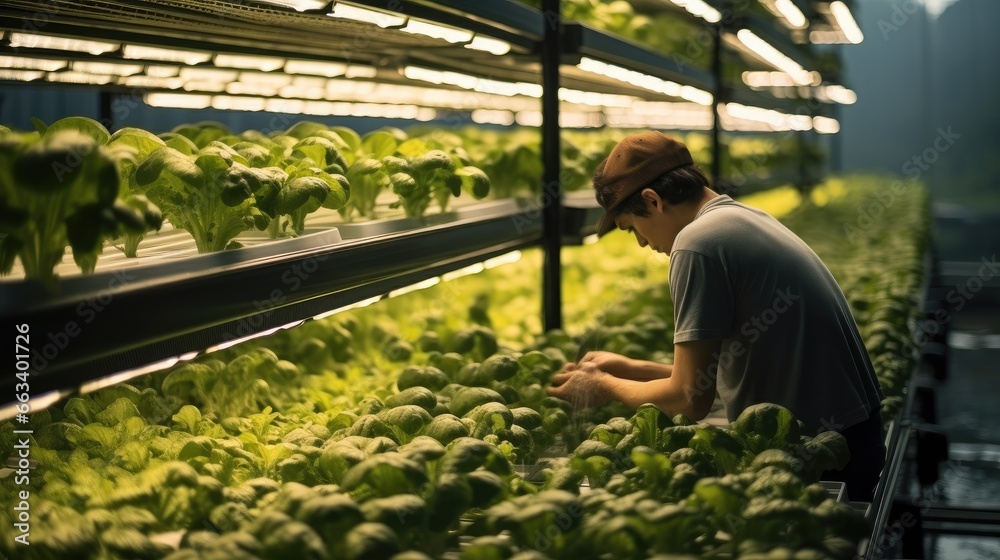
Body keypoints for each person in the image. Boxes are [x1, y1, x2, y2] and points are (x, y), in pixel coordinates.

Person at [546, 130, 886, 501]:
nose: (642, 242)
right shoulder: (739, 217)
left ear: (653, 200)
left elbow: (689, 400)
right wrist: (630, 368)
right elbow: (712, 375)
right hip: (851, 435)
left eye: (633, 228)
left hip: (821, 456)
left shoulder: (697, 244)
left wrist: (603, 386)